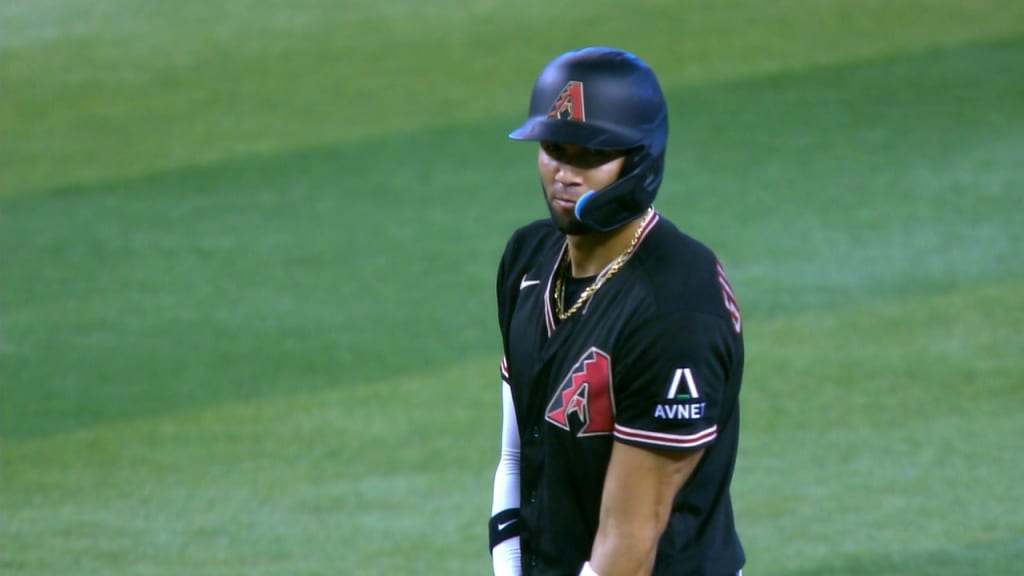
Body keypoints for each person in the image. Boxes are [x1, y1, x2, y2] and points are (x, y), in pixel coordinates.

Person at [488, 47, 746, 576]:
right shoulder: (528, 260)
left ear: (640, 160)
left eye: (590, 156)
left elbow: (631, 537)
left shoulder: (675, 307)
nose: (564, 174)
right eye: (554, 149)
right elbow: (517, 457)